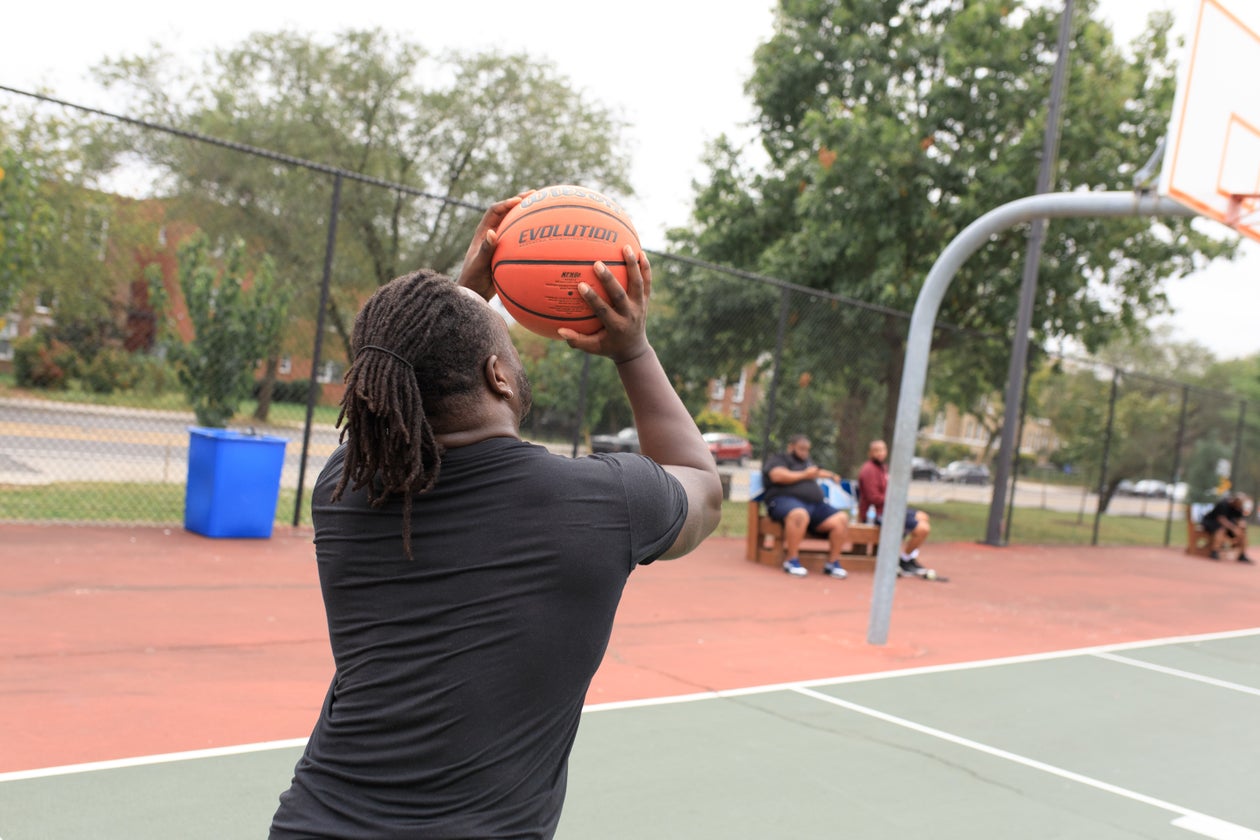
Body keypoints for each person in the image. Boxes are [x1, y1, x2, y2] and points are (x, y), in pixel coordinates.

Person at [269, 195, 724, 840]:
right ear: (498, 377)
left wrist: (458, 300)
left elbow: (397, 383)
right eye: (508, 345)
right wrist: (633, 351)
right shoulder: (603, 503)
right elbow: (702, 485)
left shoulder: (344, 489)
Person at [761, 434, 851, 578]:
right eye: (801, 448)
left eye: (807, 449)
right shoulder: (780, 458)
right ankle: (791, 560)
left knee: (841, 518)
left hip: (814, 505)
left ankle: (832, 563)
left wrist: (831, 475)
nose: (804, 452)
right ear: (791, 447)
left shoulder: (807, 462)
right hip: (784, 501)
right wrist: (804, 474)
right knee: (799, 514)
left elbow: (816, 472)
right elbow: (776, 475)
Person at [855, 439, 935, 578]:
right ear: (870, 453)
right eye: (876, 450)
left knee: (923, 516)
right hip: (877, 514)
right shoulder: (869, 470)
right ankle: (904, 560)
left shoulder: (882, 468)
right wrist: (894, 499)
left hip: (891, 509)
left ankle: (909, 558)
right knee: (923, 529)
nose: (880, 453)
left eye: (883, 449)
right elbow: (874, 498)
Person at [1201, 492, 1253, 564]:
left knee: (1242, 532)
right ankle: (1214, 551)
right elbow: (1221, 519)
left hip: (1228, 526)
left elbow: (1240, 520)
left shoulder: (1239, 508)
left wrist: (1241, 526)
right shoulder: (1223, 504)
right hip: (1211, 522)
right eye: (1238, 504)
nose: (1239, 507)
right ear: (1235, 501)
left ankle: (1242, 555)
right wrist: (1234, 529)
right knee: (1221, 530)